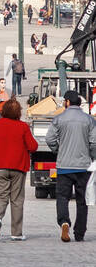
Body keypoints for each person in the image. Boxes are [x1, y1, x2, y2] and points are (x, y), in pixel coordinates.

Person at [0, 99, 38, 241]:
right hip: (18, 167)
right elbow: (33, 146)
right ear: (19, 112)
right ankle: (16, 233)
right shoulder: (23, 127)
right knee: (17, 199)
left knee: (1, 196)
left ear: (3, 111)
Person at [46, 91, 96, 243]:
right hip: (83, 167)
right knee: (82, 200)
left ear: (67, 102)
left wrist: (57, 150)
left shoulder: (59, 119)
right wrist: (92, 156)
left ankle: (64, 222)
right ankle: (79, 233)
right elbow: (94, 142)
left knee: (62, 197)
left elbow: (49, 138)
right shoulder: (89, 120)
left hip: (64, 165)